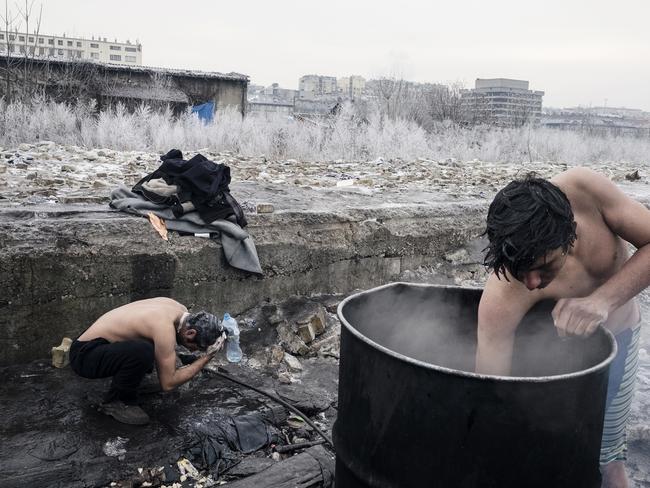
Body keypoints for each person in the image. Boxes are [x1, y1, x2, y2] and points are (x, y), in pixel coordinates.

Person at [476, 168, 650, 488]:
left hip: (619, 341)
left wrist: (602, 301)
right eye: (520, 271)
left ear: (569, 236)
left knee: (610, 462)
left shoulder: (587, 193)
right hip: (553, 361)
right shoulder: (501, 294)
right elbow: (492, 393)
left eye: (542, 268)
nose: (530, 282)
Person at [70, 297, 225, 425]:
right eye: (195, 346)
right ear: (191, 333)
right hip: (84, 356)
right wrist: (206, 358)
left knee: (153, 350)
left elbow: (166, 347)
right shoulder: (164, 328)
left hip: (96, 341)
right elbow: (168, 384)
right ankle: (117, 401)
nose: (193, 350)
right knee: (143, 352)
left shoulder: (178, 309)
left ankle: (131, 381)